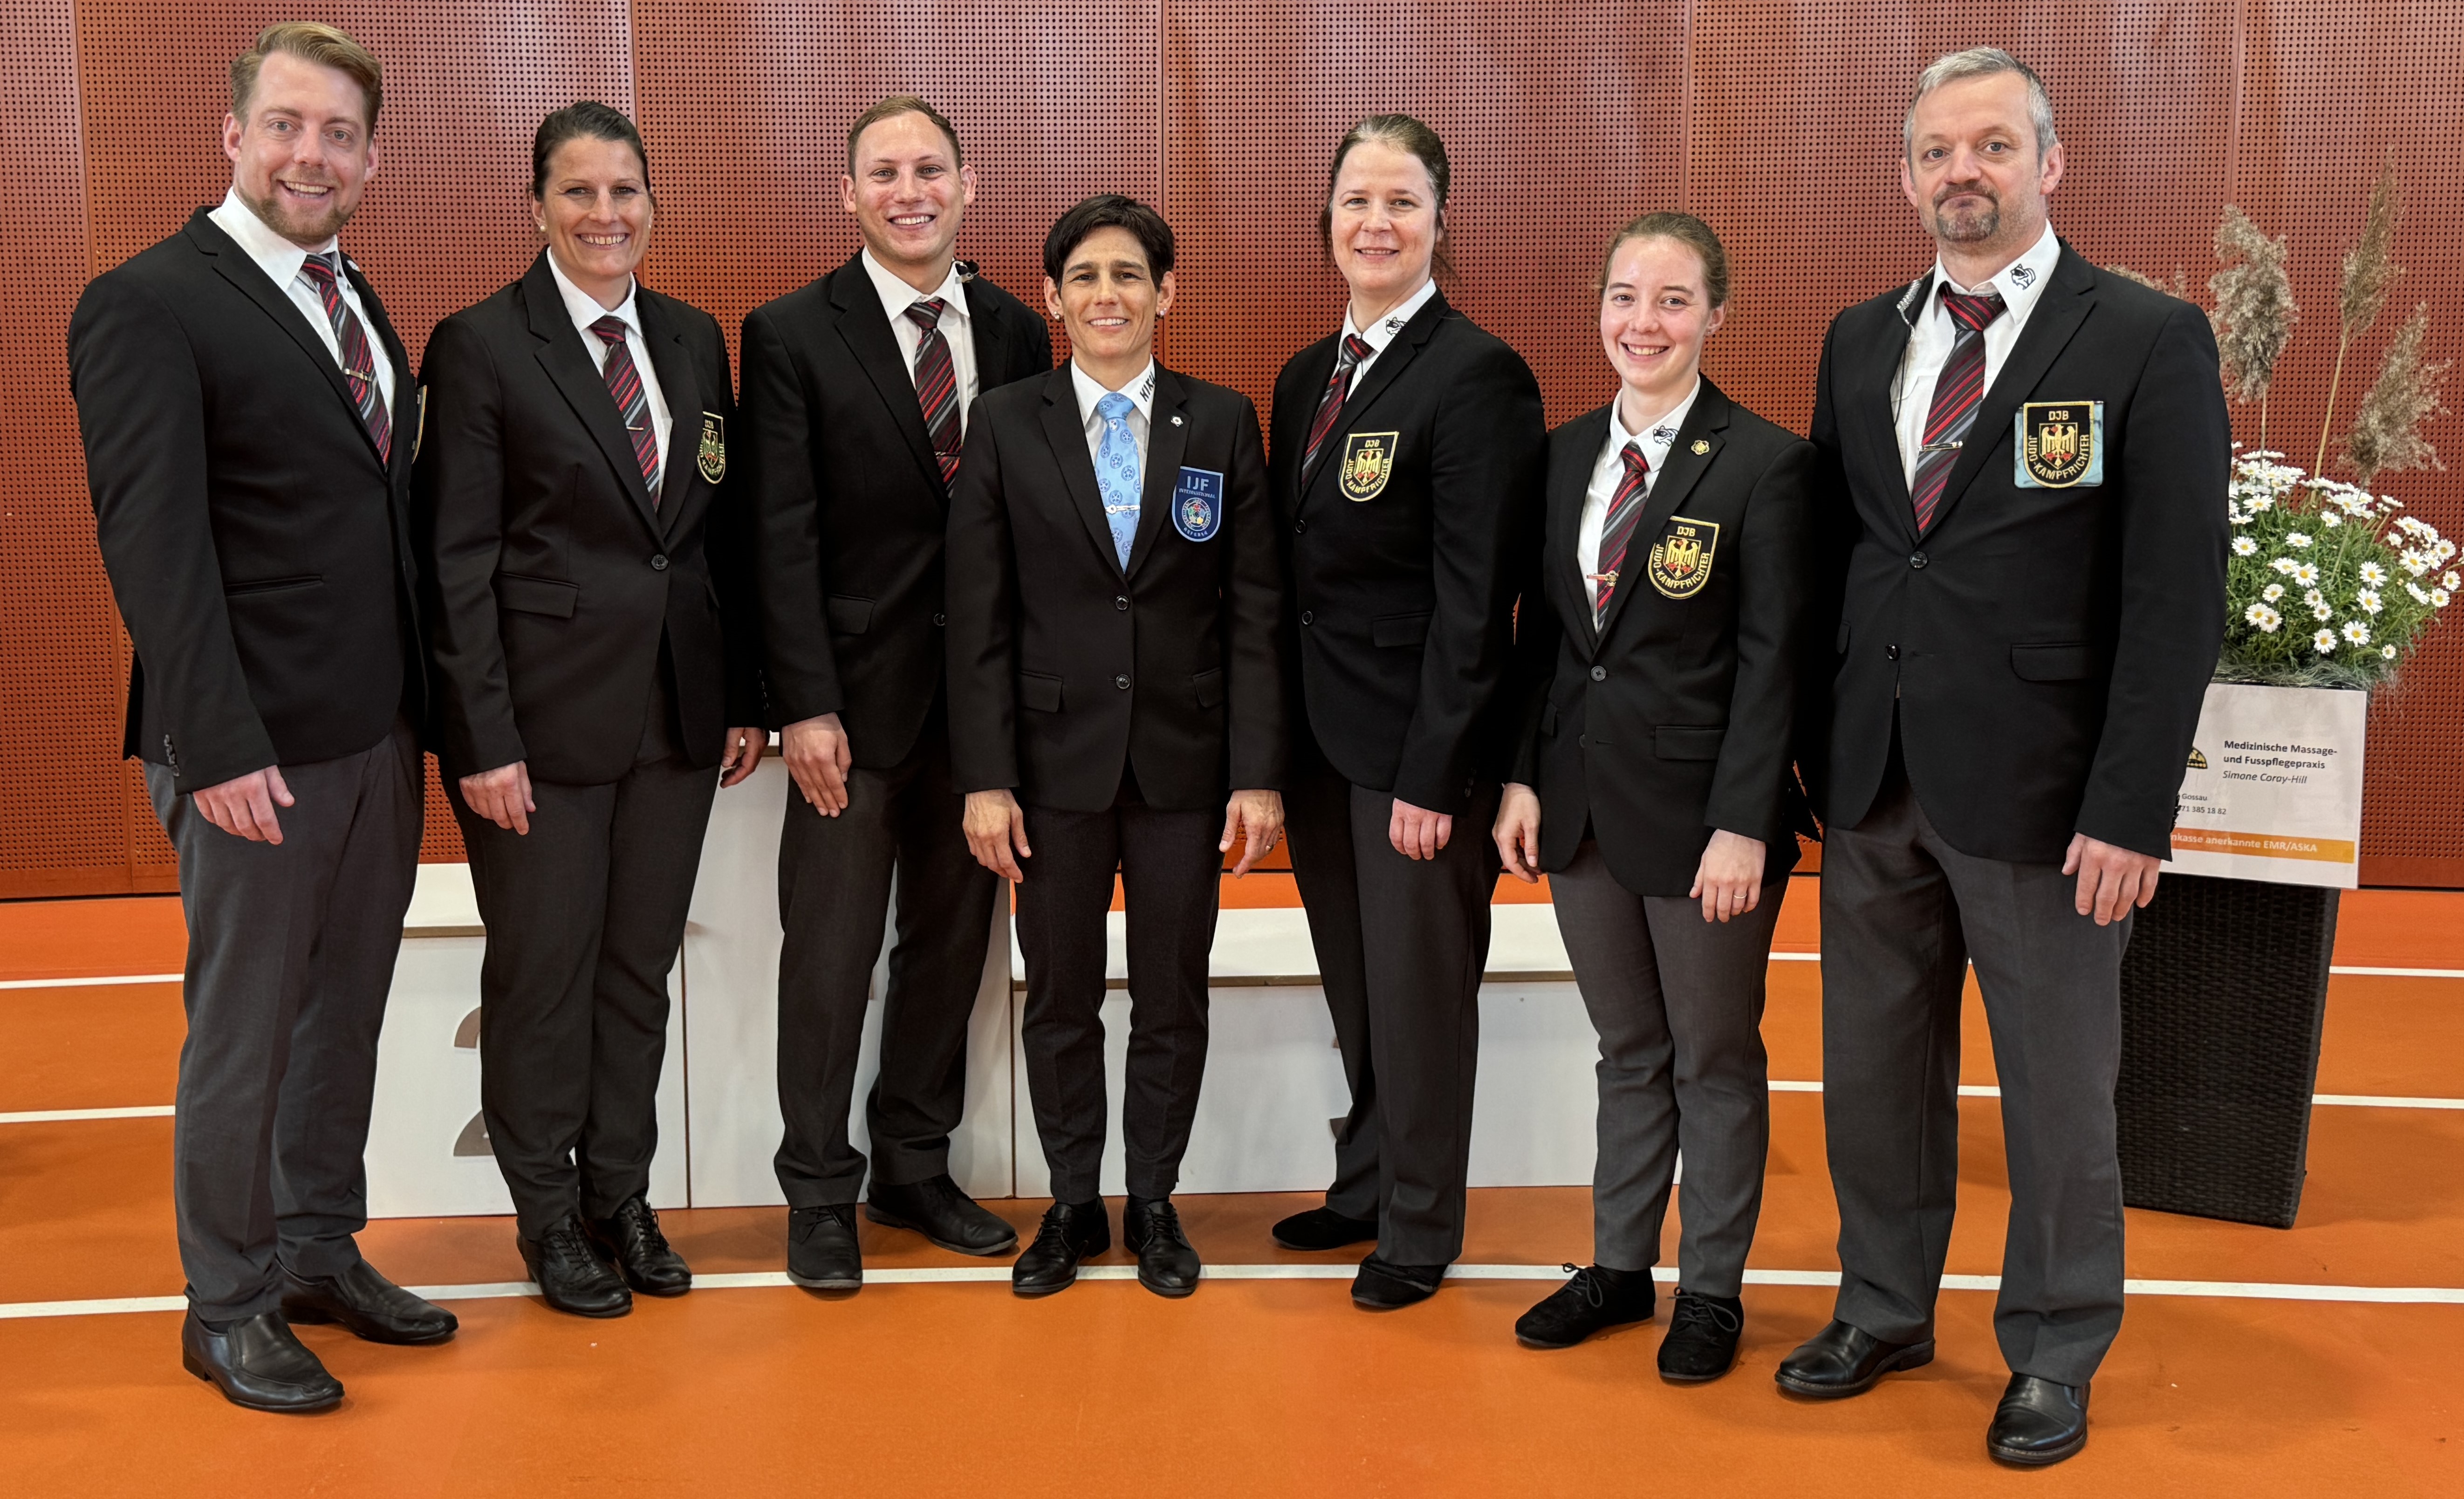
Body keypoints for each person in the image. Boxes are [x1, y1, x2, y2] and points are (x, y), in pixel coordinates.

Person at [1779, 49, 2228, 1466]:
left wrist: (2132, 806)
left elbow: (2176, 597)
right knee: (1874, 1073)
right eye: (1934, 151)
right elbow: (1835, 562)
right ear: (1906, 174)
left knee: (2055, 1089)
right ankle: (1885, 1304)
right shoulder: (1861, 337)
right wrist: (1806, 755)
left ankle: (2055, 1343)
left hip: (2046, 793)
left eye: (1990, 145)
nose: (1960, 172)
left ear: (2050, 161)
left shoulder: (2146, 337)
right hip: (1872, 781)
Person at [68, 21, 453, 1412]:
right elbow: (154, 548)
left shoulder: (353, 299)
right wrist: (216, 743)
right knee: (246, 1030)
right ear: (232, 137)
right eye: (288, 125)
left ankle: (312, 1247)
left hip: (371, 734)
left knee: (342, 1016)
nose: (313, 153)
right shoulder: (149, 300)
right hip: (253, 754)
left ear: (368, 159)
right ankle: (223, 1303)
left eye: (340, 133)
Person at [417, 102, 765, 1318]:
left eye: (626, 190)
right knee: (543, 978)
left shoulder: (689, 336)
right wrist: (482, 738)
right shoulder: (480, 346)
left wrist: (738, 696)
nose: (606, 214)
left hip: (675, 721)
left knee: (636, 973)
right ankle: (547, 1214)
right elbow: (453, 561)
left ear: (652, 203)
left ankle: (622, 1194)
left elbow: (712, 538)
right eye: (579, 192)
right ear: (537, 208)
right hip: (541, 736)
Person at [945, 195, 1285, 1298]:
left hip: (1186, 767)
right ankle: (1073, 1201)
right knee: (1060, 998)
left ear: (1165, 293)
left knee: (1173, 994)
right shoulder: (1004, 421)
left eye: (1129, 275)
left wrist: (1256, 773)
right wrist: (986, 776)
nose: (1107, 295)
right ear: (1052, 298)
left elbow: (1254, 613)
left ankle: (1153, 1203)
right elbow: (978, 614)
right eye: (1084, 277)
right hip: (1049, 770)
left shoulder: (1222, 422)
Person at [1493, 212, 1813, 1381]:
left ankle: (1712, 1288)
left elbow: (1775, 661)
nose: (1645, 322)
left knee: (1712, 1056)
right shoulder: (1566, 452)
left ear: (1714, 317)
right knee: (1627, 1047)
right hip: (1578, 806)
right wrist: (1523, 770)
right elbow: (1543, 638)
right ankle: (1620, 1265)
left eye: (1672, 300)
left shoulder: (1766, 464)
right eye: (1625, 296)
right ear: (1599, 310)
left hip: (1704, 825)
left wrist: (1746, 821)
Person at [744, 97, 1054, 1290]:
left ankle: (912, 1164)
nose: (909, 189)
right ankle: (818, 1186)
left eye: (930, 169)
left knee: (950, 948)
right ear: (850, 194)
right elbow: (779, 533)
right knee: (826, 955)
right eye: (885, 171)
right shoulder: (788, 334)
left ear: (968, 184)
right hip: (850, 713)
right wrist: (802, 703)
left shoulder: (1021, 332)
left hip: (981, 713)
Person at [1266, 116, 1547, 1309]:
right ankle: (1369, 1177)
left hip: (1415, 754)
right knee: (1358, 982)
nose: (1374, 224)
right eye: (1355, 202)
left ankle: (1422, 1224)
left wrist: (1438, 774)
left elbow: (1479, 600)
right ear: (1327, 219)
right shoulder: (1304, 375)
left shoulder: (1477, 374)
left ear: (1441, 222)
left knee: (1424, 992)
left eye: (1401, 204)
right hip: (1325, 746)